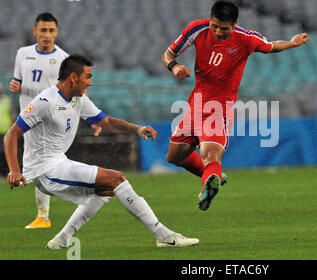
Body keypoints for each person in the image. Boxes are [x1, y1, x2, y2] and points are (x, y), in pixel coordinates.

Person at [4, 54, 199, 249]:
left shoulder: (77, 99)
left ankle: (62, 239)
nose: (90, 83)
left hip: (58, 163)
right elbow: (11, 135)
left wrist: (137, 129)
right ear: (73, 77)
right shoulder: (45, 101)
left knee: (106, 190)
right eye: (87, 77)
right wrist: (14, 170)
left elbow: (106, 122)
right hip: (45, 169)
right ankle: (164, 235)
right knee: (117, 179)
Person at [161, 0, 309, 211]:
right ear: (210, 20)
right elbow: (167, 55)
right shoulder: (198, 29)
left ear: (235, 24)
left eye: (224, 28)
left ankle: (209, 183)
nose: (219, 32)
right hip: (195, 103)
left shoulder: (246, 39)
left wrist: (292, 43)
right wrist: (174, 67)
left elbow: (271, 46)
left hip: (218, 106)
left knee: (210, 152)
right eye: (215, 26)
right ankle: (213, 174)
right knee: (174, 156)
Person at [10, 12, 101, 229]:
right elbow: (17, 81)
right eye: (43, 30)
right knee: (35, 163)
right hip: (28, 116)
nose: (47, 35)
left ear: (57, 32)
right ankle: (45, 213)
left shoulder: (63, 58)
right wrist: (15, 86)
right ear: (35, 31)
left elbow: (77, 90)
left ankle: (45, 215)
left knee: (44, 163)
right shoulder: (22, 53)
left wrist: (93, 117)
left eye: (51, 31)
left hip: (52, 118)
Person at [0, 85, 13, 177]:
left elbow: (12, 114)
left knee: (5, 152)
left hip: (6, 131)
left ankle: (5, 173)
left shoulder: (7, 101)